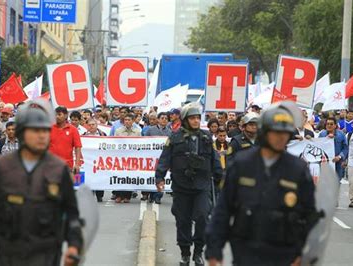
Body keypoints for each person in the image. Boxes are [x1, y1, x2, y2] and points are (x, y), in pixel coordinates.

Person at [0, 99, 83, 266]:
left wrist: (74, 246)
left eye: (45, 131)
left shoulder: (58, 169)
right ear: (22, 133)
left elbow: (71, 213)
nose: (42, 135)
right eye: (35, 130)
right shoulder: (2, 167)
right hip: (8, 252)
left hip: (45, 254)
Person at [205, 103, 319, 266]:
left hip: (284, 252)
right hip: (246, 249)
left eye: (285, 133)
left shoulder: (298, 170)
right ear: (265, 132)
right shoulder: (242, 164)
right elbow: (223, 209)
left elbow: (309, 215)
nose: (281, 137)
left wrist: (305, 253)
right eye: (276, 132)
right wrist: (214, 250)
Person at [155, 103, 222, 266]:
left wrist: (221, 179)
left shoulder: (206, 137)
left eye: (198, 118)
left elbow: (215, 160)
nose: (196, 121)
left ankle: (198, 252)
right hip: (181, 186)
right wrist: (159, 178)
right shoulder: (174, 138)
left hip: (202, 185)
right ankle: (185, 253)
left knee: (202, 218)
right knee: (183, 221)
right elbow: (164, 159)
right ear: (185, 120)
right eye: (192, 118)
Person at [114, 113, 141, 203]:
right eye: (125, 120)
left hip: (132, 158)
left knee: (129, 176)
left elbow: (141, 144)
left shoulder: (137, 131)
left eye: (129, 120)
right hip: (120, 158)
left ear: (133, 121)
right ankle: (118, 195)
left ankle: (127, 196)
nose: (127, 121)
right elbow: (114, 143)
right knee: (119, 176)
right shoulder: (118, 131)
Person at [49, 106, 82, 173]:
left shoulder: (73, 130)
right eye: (55, 115)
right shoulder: (49, 128)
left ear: (66, 115)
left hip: (67, 166)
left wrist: (77, 164)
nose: (57, 117)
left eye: (59, 114)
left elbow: (77, 147)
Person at [83, 118, 107, 202]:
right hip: (88, 160)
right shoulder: (84, 135)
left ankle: (99, 195)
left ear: (96, 125)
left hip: (99, 159)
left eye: (93, 124)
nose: (91, 126)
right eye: (89, 125)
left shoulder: (102, 134)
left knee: (100, 177)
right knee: (89, 178)